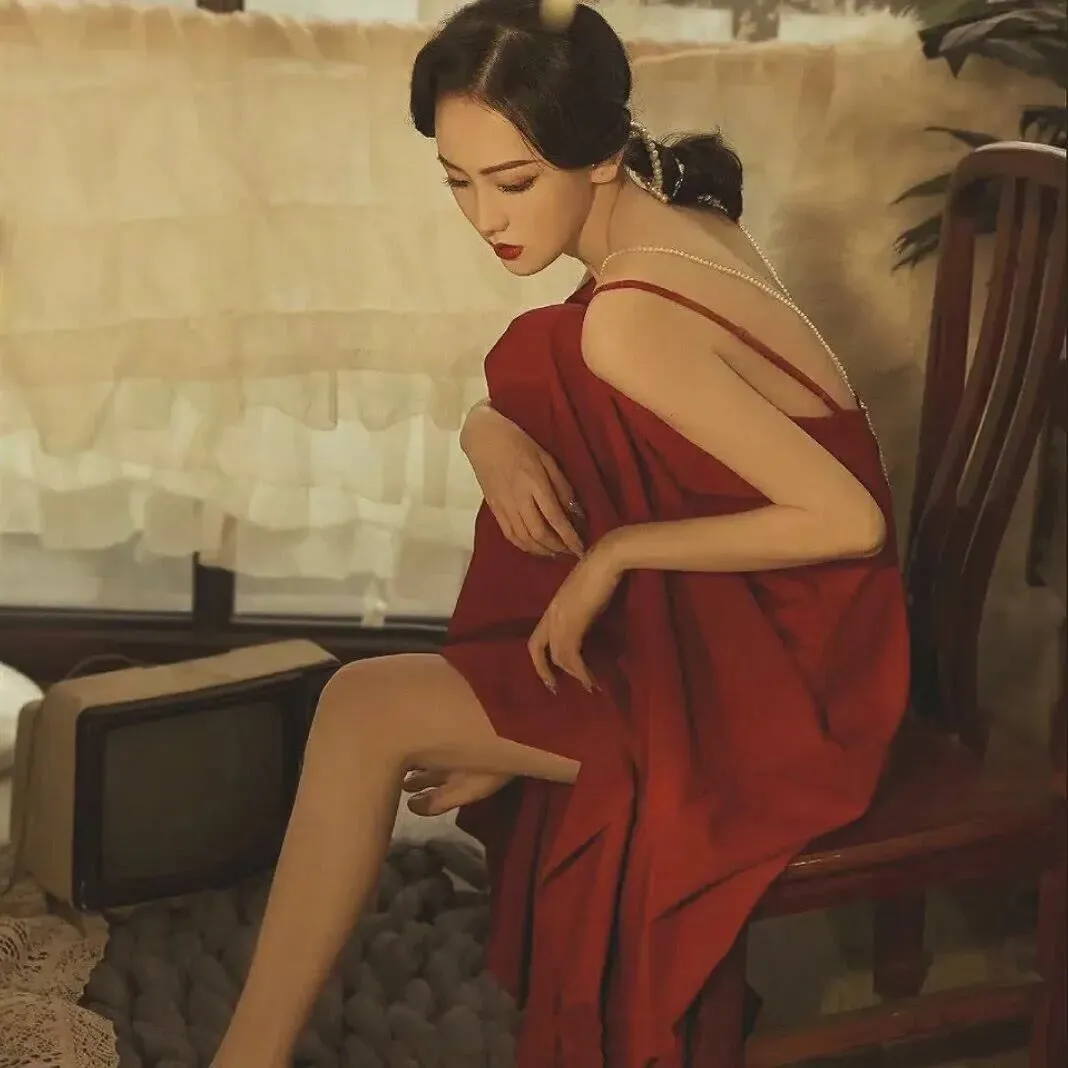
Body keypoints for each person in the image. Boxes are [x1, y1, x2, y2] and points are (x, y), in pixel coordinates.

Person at [210, 2, 910, 1066]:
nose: (485, 217)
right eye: (457, 181)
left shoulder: (629, 316)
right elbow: (630, 443)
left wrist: (614, 558)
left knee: (360, 709)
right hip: (749, 638)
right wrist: (483, 425)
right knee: (529, 388)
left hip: (784, 695)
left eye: (514, 181)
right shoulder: (677, 218)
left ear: (601, 154)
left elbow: (850, 520)